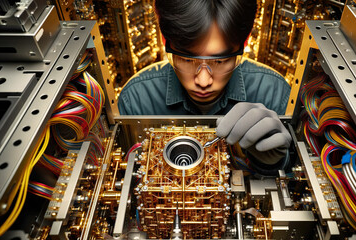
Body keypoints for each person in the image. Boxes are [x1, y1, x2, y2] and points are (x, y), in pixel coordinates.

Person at [118, 0, 292, 173]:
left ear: (244, 44)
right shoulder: (137, 99)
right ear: (165, 41)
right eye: (187, 59)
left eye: (220, 61)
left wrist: (274, 163)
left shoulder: (274, 94)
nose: (203, 81)